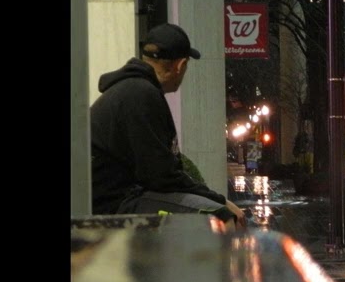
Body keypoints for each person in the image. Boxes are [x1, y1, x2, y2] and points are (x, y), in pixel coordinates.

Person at [90, 23, 246, 229]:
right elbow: (162, 176)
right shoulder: (141, 94)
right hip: (115, 204)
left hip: (114, 198)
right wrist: (220, 201)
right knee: (220, 217)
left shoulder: (132, 90)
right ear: (180, 65)